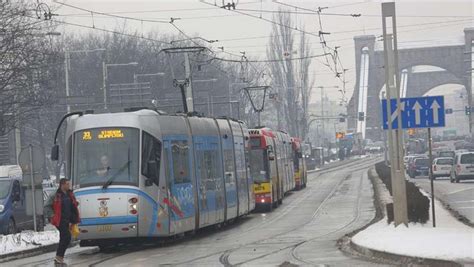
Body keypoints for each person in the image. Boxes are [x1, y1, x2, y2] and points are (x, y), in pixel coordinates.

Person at [44, 178, 80, 265]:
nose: (69, 186)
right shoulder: (56, 195)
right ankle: (59, 257)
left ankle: (59, 258)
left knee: (64, 238)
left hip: (68, 220)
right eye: (67, 184)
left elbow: (72, 205)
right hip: (59, 220)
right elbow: (46, 206)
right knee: (67, 236)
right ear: (62, 185)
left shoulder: (69, 194)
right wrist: (52, 215)